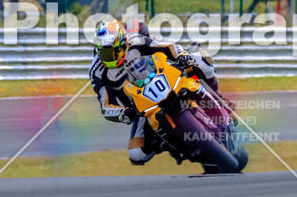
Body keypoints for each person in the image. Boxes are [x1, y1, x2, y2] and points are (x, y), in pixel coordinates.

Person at [89, 20, 221, 166]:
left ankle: (218, 96)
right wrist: (122, 114)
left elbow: (167, 46)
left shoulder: (136, 41)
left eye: (114, 52)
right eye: (104, 53)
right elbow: (106, 105)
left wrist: (182, 55)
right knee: (137, 154)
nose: (110, 57)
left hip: (163, 79)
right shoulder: (97, 72)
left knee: (200, 61)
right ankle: (166, 144)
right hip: (140, 107)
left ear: (123, 43)